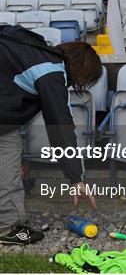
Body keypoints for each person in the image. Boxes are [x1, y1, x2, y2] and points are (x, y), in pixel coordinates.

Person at [0, 25, 100, 245]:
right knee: (8, 148)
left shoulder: (34, 50)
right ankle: (7, 228)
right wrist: (76, 178)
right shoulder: (52, 70)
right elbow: (61, 126)